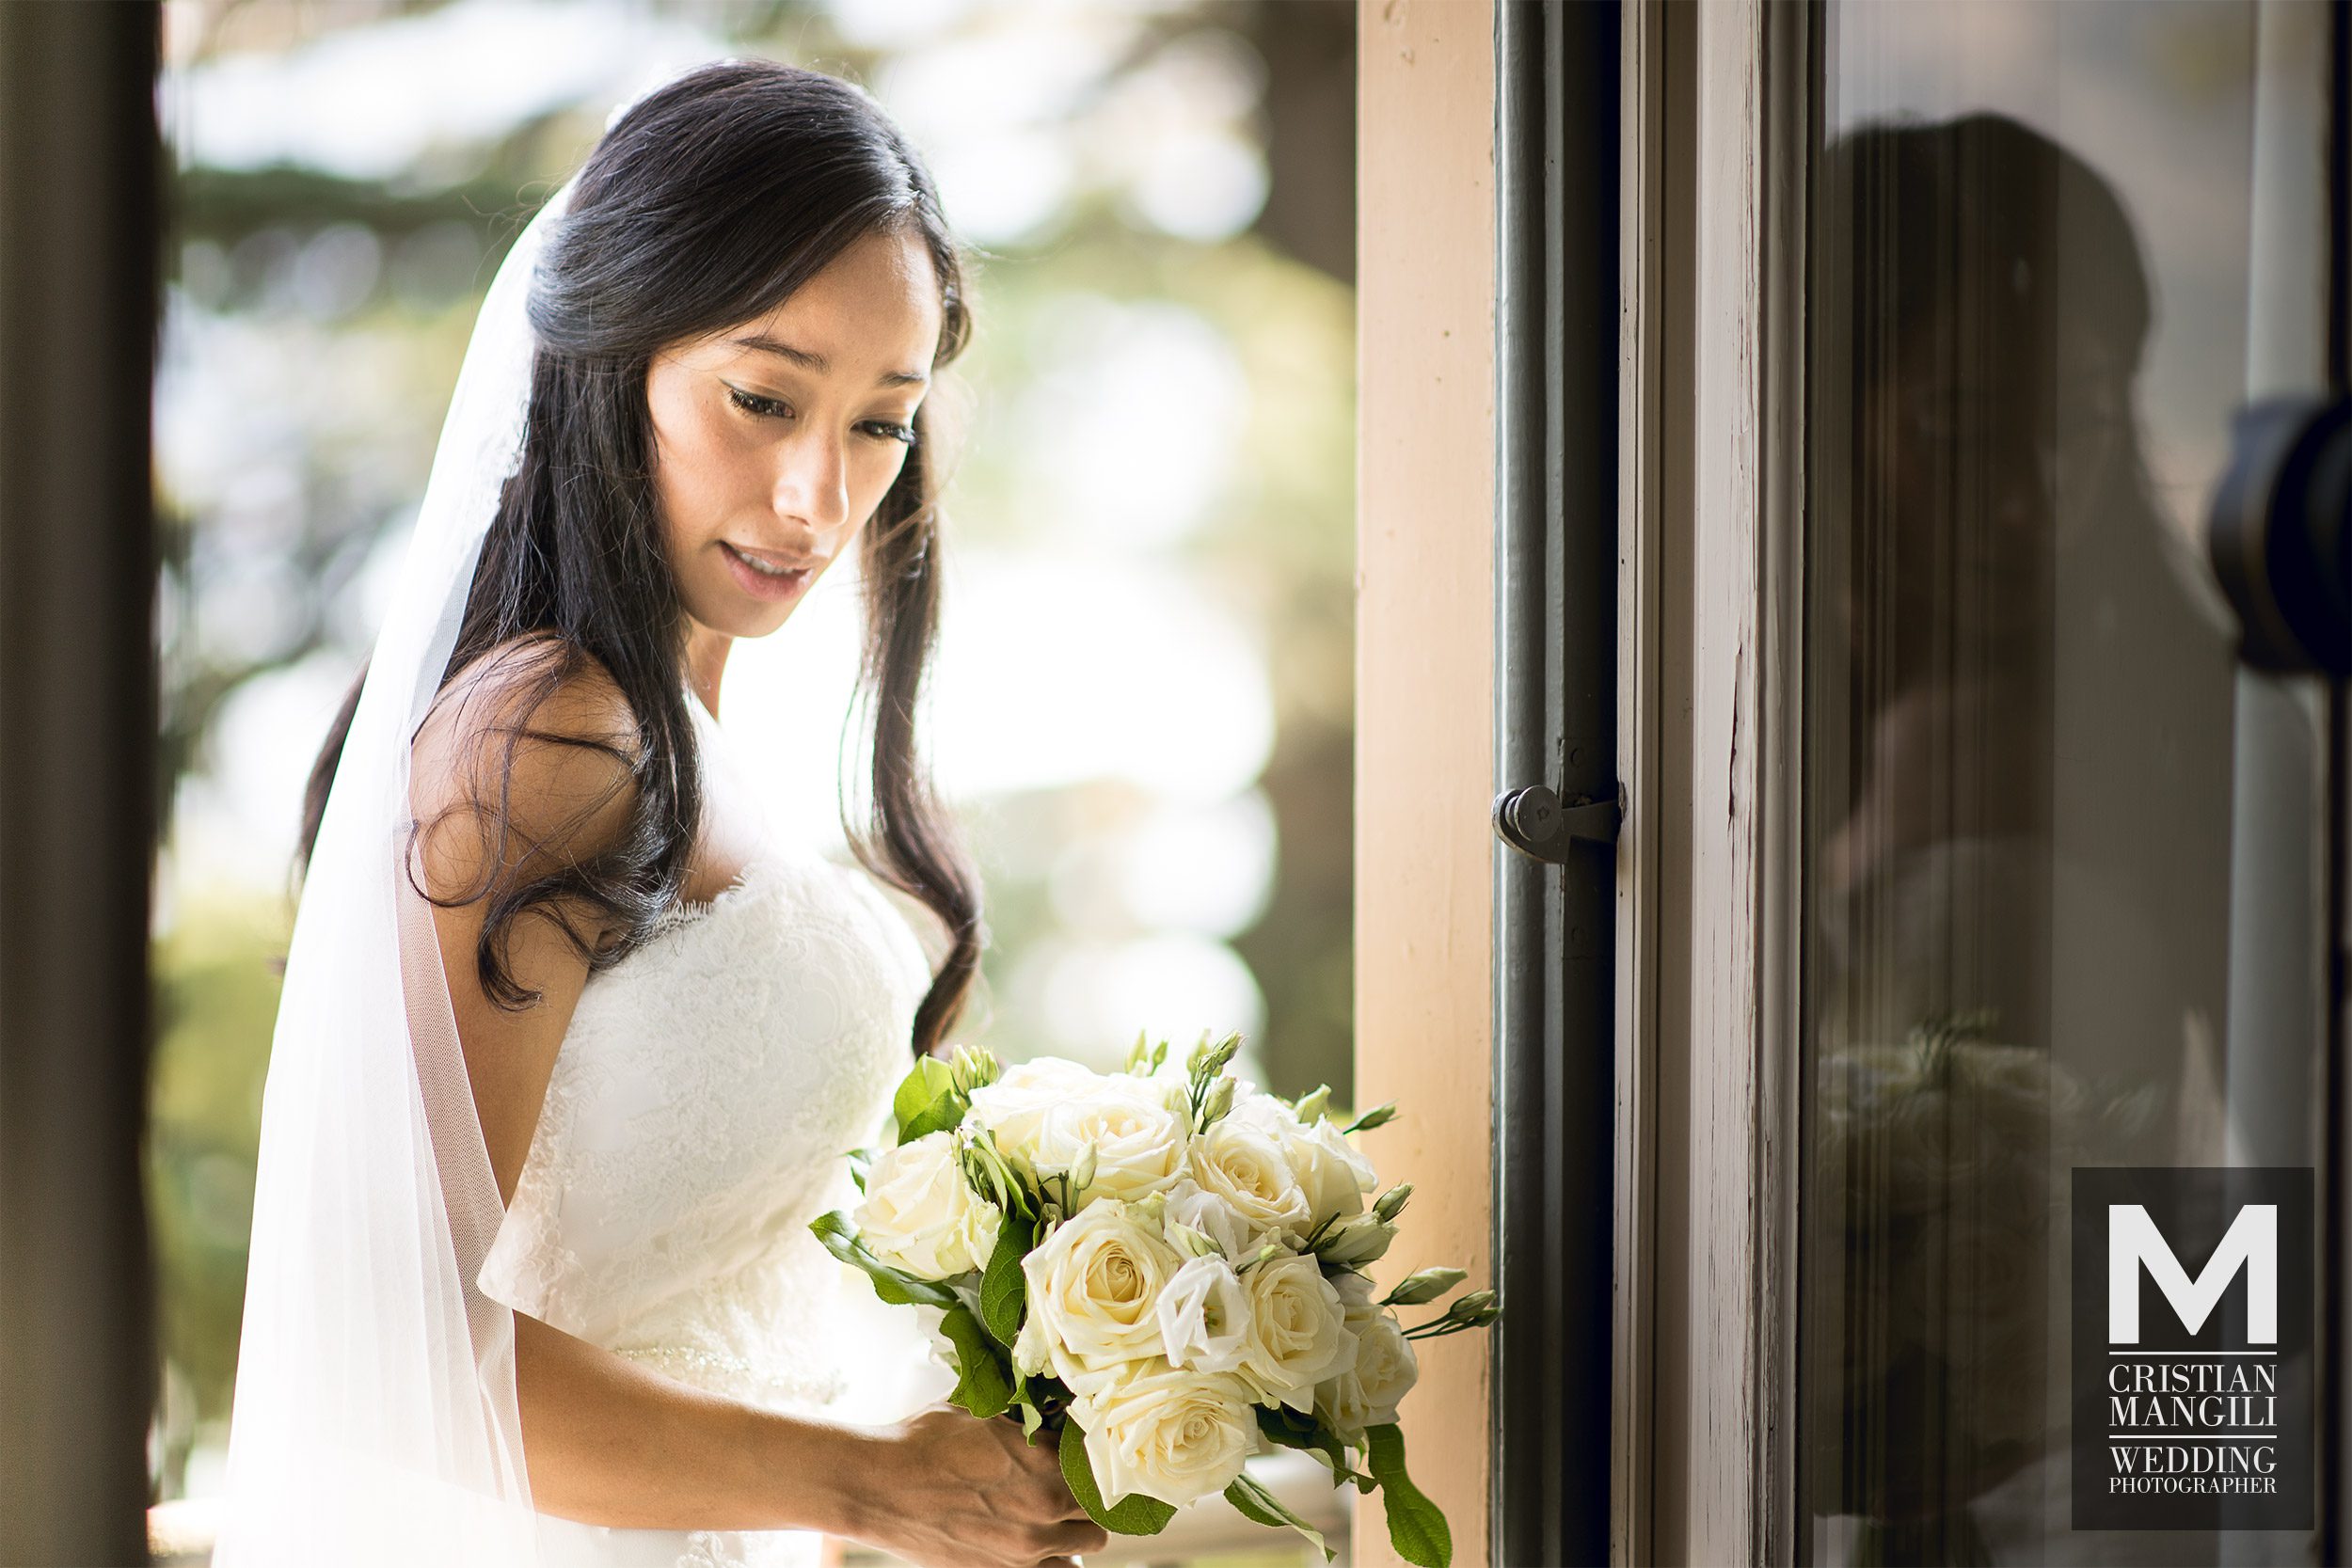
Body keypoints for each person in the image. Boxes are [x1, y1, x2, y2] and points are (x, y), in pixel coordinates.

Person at [214, 59, 1108, 1568]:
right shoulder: (551, 732)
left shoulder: (692, 737)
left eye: (882, 424)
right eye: (763, 399)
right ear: (609, 360)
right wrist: (860, 1483)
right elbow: (400, 1349)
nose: (820, 496)